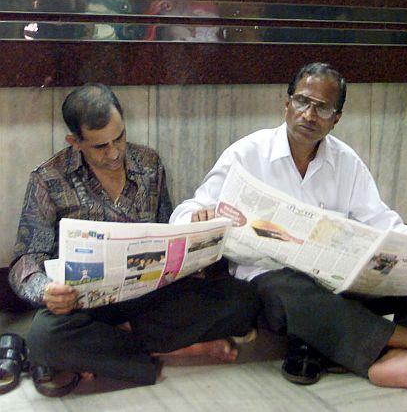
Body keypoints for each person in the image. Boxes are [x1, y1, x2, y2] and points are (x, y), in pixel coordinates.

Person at [170, 62, 407, 394]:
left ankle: (396, 357)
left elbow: (384, 224)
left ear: (337, 118)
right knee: (291, 288)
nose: (309, 114)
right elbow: (188, 211)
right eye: (302, 102)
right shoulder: (247, 154)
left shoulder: (346, 163)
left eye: (322, 108)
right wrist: (197, 217)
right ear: (286, 104)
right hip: (277, 288)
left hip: (338, 282)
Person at [9, 84, 258, 396]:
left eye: (120, 138)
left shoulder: (149, 164)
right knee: (43, 338)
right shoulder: (48, 179)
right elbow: (25, 260)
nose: (114, 154)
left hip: (148, 294)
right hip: (87, 304)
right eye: (100, 146)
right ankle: (174, 349)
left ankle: (108, 349)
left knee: (243, 300)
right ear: (75, 142)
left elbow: (167, 231)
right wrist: (46, 290)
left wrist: (193, 244)